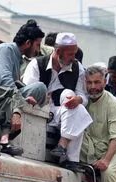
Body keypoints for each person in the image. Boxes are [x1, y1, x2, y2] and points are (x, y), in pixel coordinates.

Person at [23, 32, 88, 164]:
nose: (73, 58)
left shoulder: (77, 68)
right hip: (37, 112)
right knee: (77, 111)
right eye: (70, 54)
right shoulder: (36, 65)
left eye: (75, 53)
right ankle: (66, 152)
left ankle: (65, 151)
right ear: (58, 51)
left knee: (77, 106)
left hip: (61, 113)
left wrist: (78, 100)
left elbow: (84, 96)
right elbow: (27, 93)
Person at [0, 20, 47, 105]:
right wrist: (20, 99)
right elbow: (5, 80)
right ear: (28, 43)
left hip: (5, 96)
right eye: (37, 45)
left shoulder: (17, 56)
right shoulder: (6, 49)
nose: (38, 50)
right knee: (40, 88)